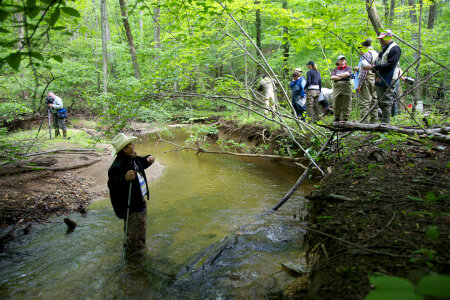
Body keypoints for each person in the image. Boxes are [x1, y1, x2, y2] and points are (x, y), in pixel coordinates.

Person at [108, 133, 155, 256]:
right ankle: (134, 261)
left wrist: (148, 159)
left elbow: (141, 162)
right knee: (135, 236)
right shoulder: (117, 166)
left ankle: (137, 252)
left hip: (139, 201)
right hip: (132, 207)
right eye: (131, 144)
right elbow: (112, 184)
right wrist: (124, 178)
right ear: (125, 149)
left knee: (139, 231)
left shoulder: (132, 158)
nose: (134, 145)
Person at [363, 29, 401, 124]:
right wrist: (373, 66)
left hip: (389, 79)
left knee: (386, 101)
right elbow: (379, 61)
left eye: (383, 39)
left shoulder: (395, 49)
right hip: (381, 78)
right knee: (380, 101)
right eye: (380, 39)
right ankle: (383, 122)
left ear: (389, 37)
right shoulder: (384, 49)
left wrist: (374, 66)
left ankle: (385, 124)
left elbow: (390, 65)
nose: (381, 41)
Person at [354, 38, 378, 123]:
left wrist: (359, 84)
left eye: (360, 47)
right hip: (375, 79)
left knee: (364, 102)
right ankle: (373, 122)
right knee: (374, 102)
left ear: (363, 45)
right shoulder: (375, 53)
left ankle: (364, 124)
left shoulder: (367, 54)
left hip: (367, 80)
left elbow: (364, 71)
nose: (360, 50)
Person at [330, 55, 352, 122]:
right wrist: (343, 76)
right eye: (340, 60)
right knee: (336, 102)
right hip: (337, 87)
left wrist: (338, 75)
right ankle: (337, 117)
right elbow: (332, 77)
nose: (342, 61)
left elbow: (347, 74)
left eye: (343, 60)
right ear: (338, 61)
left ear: (345, 61)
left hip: (346, 87)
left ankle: (345, 118)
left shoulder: (348, 68)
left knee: (346, 102)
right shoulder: (335, 69)